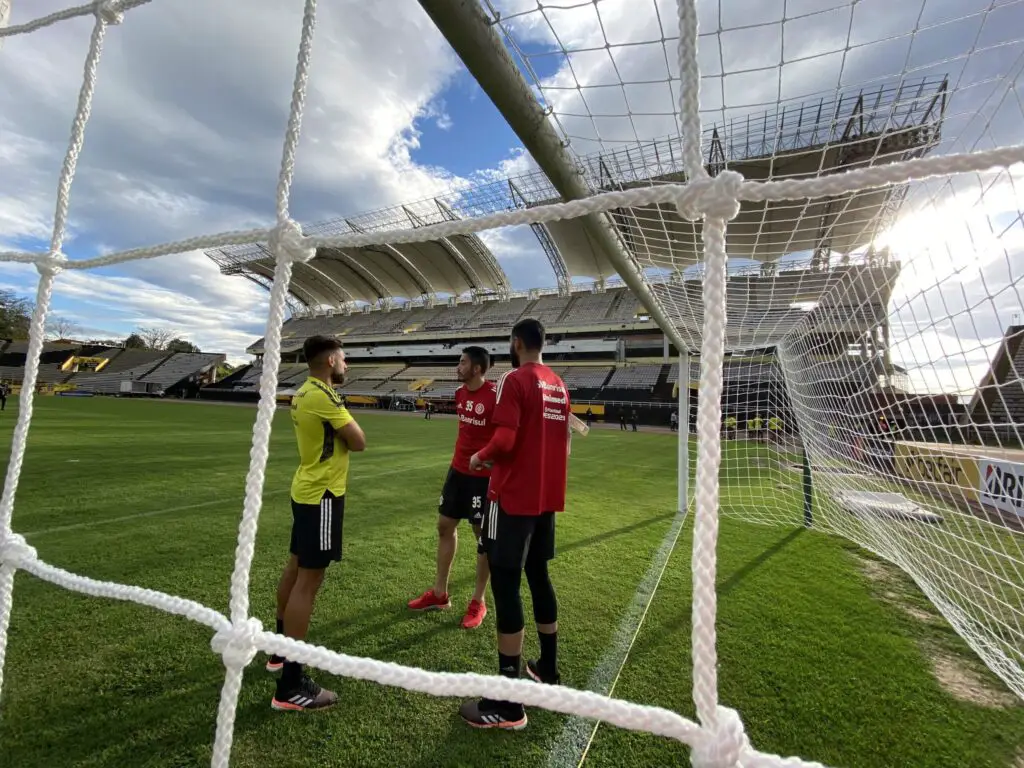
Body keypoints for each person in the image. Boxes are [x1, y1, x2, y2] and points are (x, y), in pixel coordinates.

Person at [458, 318, 570, 730]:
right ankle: (547, 670)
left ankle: (508, 702)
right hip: (545, 499)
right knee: (538, 575)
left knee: (505, 583)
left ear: (516, 343)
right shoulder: (558, 384)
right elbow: (565, 445)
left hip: (512, 498)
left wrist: (479, 456)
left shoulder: (514, 380)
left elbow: (504, 442)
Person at [267, 335, 366, 712]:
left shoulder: (303, 391)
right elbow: (358, 441)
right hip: (323, 494)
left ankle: (279, 651)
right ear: (329, 361)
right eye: (343, 358)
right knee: (309, 581)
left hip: (305, 489)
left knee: (294, 568)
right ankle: (291, 683)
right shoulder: (323, 396)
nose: (346, 365)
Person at [408, 346, 495, 629]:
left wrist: (490, 461)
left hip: (483, 478)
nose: (458, 367)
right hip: (457, 471)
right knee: (445, 525)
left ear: (478, 369)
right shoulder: (459, 395)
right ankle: (439, 593)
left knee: (482, 537)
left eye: (462, 363)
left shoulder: (495, 396)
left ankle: (478, 601)